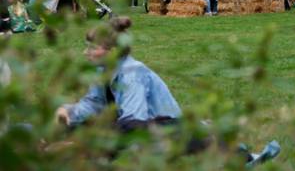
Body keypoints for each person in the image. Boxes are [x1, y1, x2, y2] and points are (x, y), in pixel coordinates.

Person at [55, 17, 280, 165]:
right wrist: (69, 112)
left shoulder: (132, 73)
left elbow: (134, 121)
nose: (86, 53)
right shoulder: (103, 70)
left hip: (164, 125)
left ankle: (243, 158)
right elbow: (92, 103)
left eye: (92, 48)